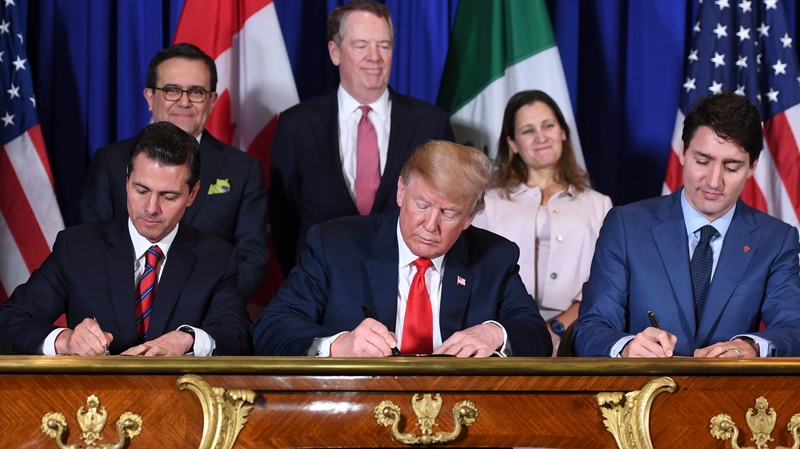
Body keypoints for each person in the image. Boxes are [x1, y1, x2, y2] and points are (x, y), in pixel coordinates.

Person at [252, 140, 551, 358]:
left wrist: (494, 333)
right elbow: (270, 328)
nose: (430, 225)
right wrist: (339, 345)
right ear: (401, 191)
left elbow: (536, 335)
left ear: (470, 217)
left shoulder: (495, 257)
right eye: (422, 204)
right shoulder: (334, 246)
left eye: (449, 213)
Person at [573, 92, 800, 358]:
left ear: (752, 167)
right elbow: (589, 328)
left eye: (731, 167)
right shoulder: (626, 226)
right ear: (682, 151)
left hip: (728, 386)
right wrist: (626, 348)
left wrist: (751, 347)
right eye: (703, 161)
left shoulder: (777, 239)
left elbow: (793, 327)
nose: (714, 181)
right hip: (645, 383)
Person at [0, 122, 253, 356]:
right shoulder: (76, 248)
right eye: (141, 190)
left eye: (168, 196)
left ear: (192, 194)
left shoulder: (216, 259)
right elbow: (8, 320)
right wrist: (64, 340)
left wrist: (188, 339)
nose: (151, 208)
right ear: (127, 179)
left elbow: (239, 336)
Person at [269, 0, 455, 277]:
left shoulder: (431, 124)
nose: (374, 57)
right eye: (361, 45)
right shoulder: (296, 125)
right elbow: (284, 224)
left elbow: (447, 211)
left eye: (384, 45)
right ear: (335, 52)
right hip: (320, 287)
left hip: (405, 286)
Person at [80, 43, 268, 304]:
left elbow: (251, 260)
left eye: (196, 92)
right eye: (172, 90)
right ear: (149, 97)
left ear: (212, 100)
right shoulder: (110, 161)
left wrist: (200, 309)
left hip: (208, 316)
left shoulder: (243, 169)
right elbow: (91, 249)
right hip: (121, 312)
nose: (184, 101)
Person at [471, 90, 611, 356]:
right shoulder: (488, 203)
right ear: (512, 143)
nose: (541, 137)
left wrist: (556, 328)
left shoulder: (599, 205)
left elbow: (606, 284)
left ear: (563, 132)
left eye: (548, 126)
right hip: (501, 339)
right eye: (528, 131)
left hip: (579, 336)